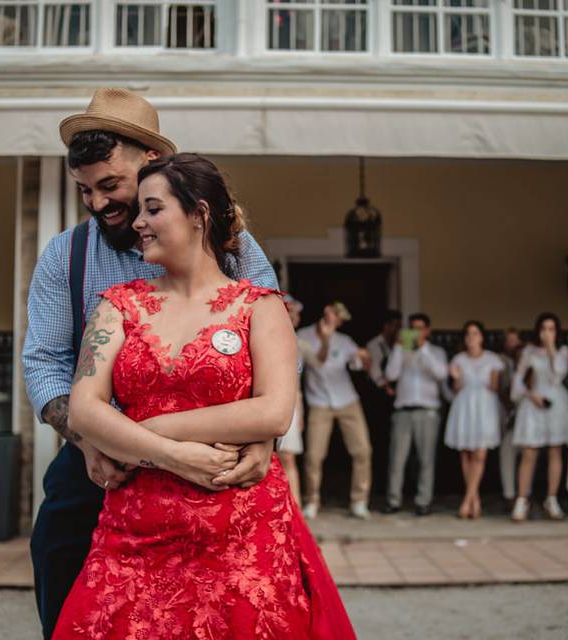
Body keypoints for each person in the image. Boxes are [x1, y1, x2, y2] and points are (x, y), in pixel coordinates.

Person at [52, 153, 355, 639]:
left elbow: (274, 411)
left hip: (240, 531)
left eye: (153, 209)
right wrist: (173, 456)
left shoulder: (260, 307)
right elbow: (85, 408)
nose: (139, 222)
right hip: (137, 533)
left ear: (198, 214)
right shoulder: (118, 306)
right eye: (140, 211)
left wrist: (150, 430)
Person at [23, 88, 280, 640]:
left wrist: (263, 442)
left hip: (215, 452)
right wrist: (90, 441)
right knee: (59, 558)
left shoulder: (235, 248)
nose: (98, 204)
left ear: (151, 163)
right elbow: (44, 362)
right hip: (96, 460)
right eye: (85, 191)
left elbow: (274, 355)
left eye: (111, 186)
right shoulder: (63, 255)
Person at [297, 302, 373, 519]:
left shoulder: (345, 340)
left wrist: (365, 358)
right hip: (319, 402)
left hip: (348, 401)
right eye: (338, 315)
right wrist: (326, 339)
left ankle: (359, 501)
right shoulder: (303, 336)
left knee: (363, 451)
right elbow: (316, 364)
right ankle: (312, 500)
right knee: (314, 455)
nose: (340, 321)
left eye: (342, 318)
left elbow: (360, 366)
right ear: (328, 311)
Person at [511, 312, 568, 522]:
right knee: (529, 452)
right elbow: (518, 381)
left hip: (556, 404)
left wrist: (551, 350)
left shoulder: (563, 351)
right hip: (533, 402)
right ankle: (522, 499)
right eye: (543, 329)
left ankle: (552, 499)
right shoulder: (529, 352)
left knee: (555, 450)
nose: (547, 333)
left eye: (551, 329)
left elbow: (558, 374)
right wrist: (531, 395)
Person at [382, 313, 448, 516]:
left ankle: (423, 501)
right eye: (412, 328)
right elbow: (390, 375)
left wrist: (423, 349)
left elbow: (441, 374)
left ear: (427, 331)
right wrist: (399, 348)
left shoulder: (436, 352)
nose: (416, 332)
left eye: (420, 328)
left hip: (428, 411)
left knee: (426, 459)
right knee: (397, 458)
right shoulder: (401, 350)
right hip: (403, 410)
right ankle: (394, 500)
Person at [446, 321, 504, 519]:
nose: (471, 338)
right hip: (464, 405)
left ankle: (468, 499)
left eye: (475, 333)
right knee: (466, 454)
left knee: (480, 453)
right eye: (468, 334)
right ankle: (474, 499)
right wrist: (456, 377)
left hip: (484, 407)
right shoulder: (458, 359)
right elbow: (456, 388)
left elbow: (495, 387)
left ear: (482, 337)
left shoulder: (492, 359)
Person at [277, 294, 310, 507]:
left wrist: (300, 411)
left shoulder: (298, 343)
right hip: (270, 401)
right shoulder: (270, 336)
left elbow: (297, 383)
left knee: (288, 457)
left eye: (297, 314)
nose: (296, 317)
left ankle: (295, 508)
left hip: (290, 404)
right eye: (292, 312)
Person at [498, 328, 524, 505]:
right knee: (507, 449)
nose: (513, 345)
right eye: (509, 341)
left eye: (515, 341)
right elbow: (504, 394)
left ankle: (525, 494)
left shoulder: (531, 370)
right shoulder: (502, 363)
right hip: (512, 420)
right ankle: (509, 495)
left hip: (534, 424)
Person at [366, 309, 403, 395]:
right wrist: (386, 387)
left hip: (395, 388)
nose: (399, 330)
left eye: (400, 326)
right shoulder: (374, 345)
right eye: (396, 326)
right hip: (379, 389)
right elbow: (374, 370)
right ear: (387, 326)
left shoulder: (399, 344)